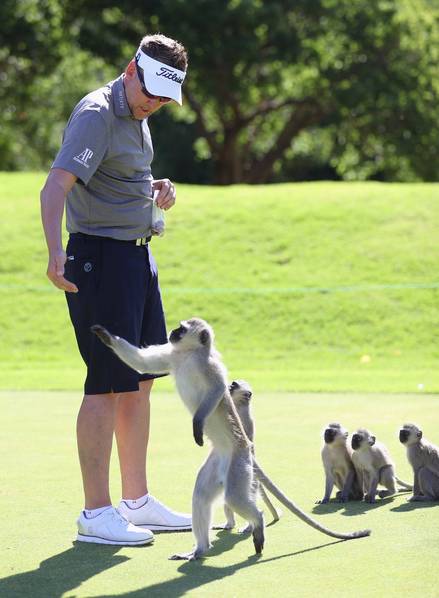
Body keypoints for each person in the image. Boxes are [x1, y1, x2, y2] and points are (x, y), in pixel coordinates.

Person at [40, 34, 191, 546]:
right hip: (97, 259)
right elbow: (56, 185)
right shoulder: (97, 113)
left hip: (135, 257)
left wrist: (156, 190)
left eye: (163, 98)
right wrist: (54, 251)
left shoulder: (139, 117)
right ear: (132, 69)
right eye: (149, 91)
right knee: (105, 383)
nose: (154, 103)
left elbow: (117, 178)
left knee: (142, 380)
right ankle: (95, 512)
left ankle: (136, 501)